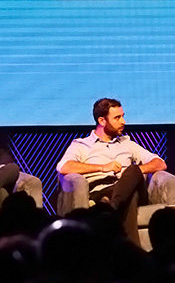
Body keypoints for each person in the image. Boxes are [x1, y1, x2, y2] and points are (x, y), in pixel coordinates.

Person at [56, 98, 166, 246]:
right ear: (102, 121)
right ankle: (132, 251)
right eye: (117, 117)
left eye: (123, 116)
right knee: (130, 197)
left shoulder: (128, 144)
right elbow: (64, 167)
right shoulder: (81, 145)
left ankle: (111, 207)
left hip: (127, 190)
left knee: (133, 172)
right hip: (101, 190)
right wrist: (102, 167)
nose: (123, 122)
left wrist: (134, 171)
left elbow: (160, 163)